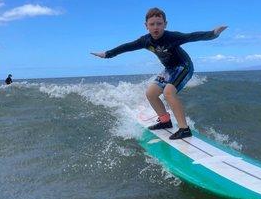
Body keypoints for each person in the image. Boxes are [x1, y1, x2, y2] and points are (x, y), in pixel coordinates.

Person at [91, 7, 227, 140]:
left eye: (159, 24)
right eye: (152, 24)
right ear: (146, 26)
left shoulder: (172, 37)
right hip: (169, 70)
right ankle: (165, 121)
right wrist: (107, 54)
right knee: (151, 93)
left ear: (165, 24)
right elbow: (127, 47)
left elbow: (191, 36)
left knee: (168, 92)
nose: (155, 27)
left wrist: (213, 34)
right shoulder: (145, 41)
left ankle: (184, 129)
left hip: (184, 66)